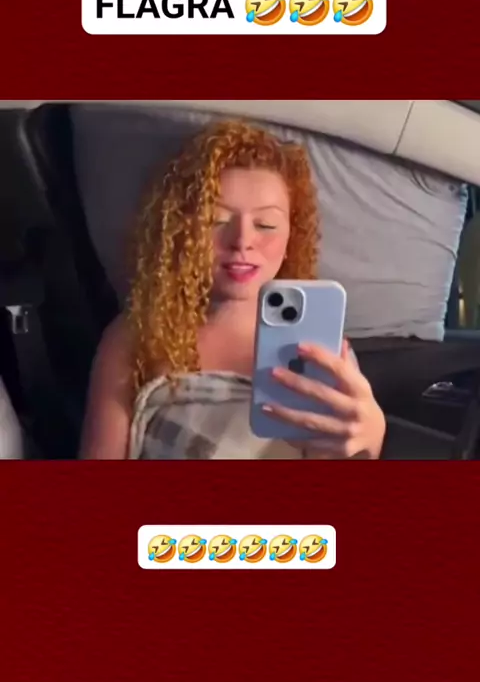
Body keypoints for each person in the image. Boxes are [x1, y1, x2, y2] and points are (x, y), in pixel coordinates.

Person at [81, 119, 386, 459]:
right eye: (216, 221)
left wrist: (370, 439)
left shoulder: (324, 346)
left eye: (265, 224)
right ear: (183, 228)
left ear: (292, 234)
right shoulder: (137, 336)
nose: (242, 241)